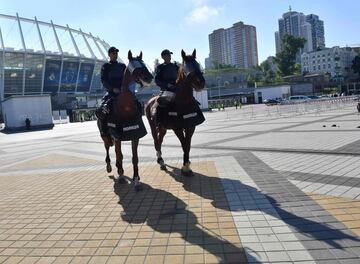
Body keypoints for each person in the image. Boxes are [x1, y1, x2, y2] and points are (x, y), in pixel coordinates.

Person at [96, 46, 126, 136]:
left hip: (123, 92)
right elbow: (104, 81)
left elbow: (126, 78)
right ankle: (104, 131)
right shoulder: (106, 66)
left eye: (116, 53)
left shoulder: (122, 66)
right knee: (102, 110)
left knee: (137, 103)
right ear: (109, 55)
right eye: (113, 53)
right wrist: (113, 89)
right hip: (111, 93)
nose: (115, 55)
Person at [153, 49, 179, 125]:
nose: (169, 57)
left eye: (170, 55)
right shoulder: (160, 67)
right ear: (163, 57)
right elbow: (157, 80)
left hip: (177, 89)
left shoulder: (176, 66)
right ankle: (158, 122)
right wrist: (167, 84)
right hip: (166, 90)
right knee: (160, 104)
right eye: (167, 55)